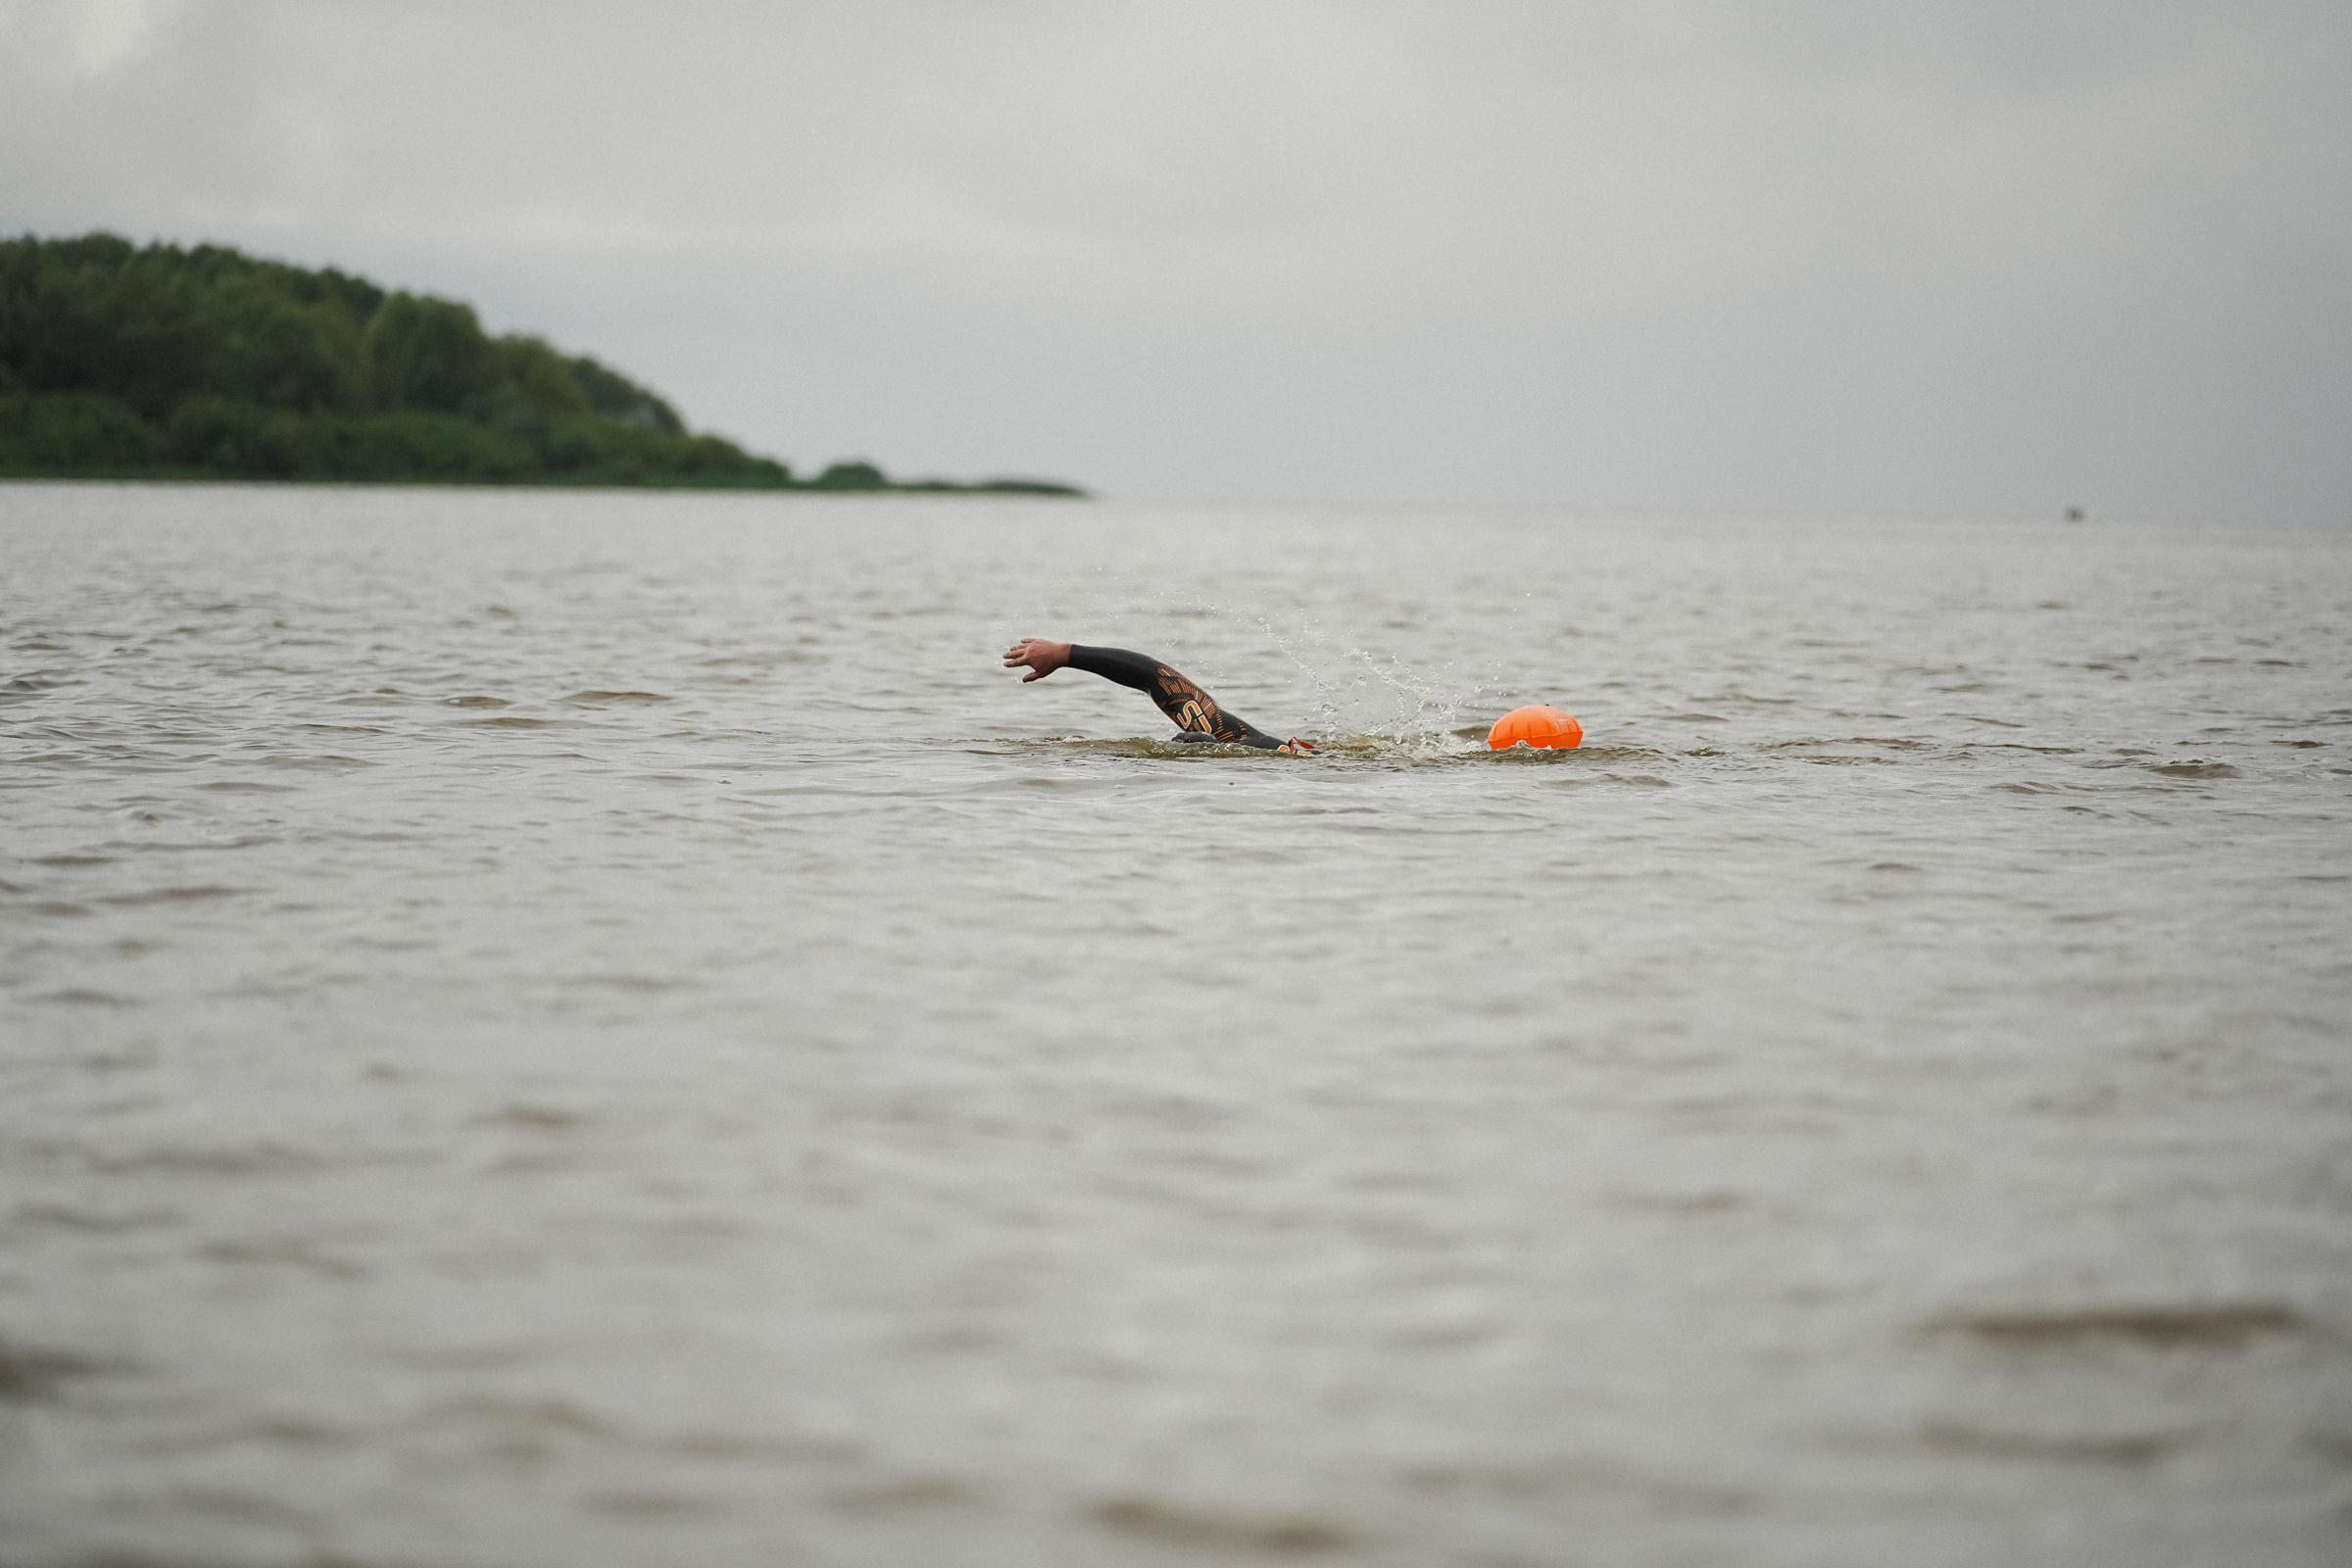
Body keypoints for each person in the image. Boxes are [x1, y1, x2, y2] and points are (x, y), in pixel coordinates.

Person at [1002, 638, 1316, 754]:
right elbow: (1157, 678)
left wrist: (1067, 654)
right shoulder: (1252, 743)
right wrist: (1065, 654)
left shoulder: (1258, 749)